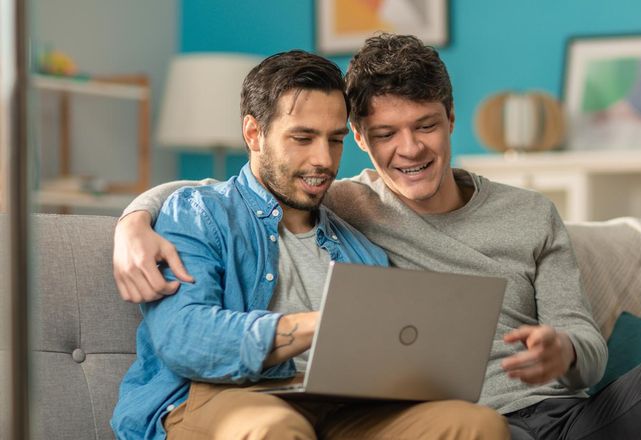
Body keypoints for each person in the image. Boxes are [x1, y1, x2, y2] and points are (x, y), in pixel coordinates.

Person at [115, 34, 641, 439]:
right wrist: (133, 221)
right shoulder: (345, 202)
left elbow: (589, 346)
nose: (409, 150)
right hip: (470, 423)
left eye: (424, 126)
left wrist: (563, 351)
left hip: (570, 418)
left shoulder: (530, 215)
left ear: (451, 118)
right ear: (363, 143)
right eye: (384, 135)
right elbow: (235, 197)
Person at [110, 49, 509, 440]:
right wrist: (321, 325)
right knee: (276, 429)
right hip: (220, 395)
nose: (324, 159)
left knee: (475, 424)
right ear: (254, 133)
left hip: (337, 406)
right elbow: (184, 336)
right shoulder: (199, 214)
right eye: (303, 138)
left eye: (335, 140)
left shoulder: (359, 246)